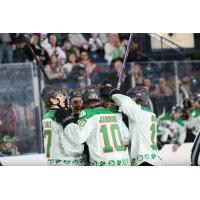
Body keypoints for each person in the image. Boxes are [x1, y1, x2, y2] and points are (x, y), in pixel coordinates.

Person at [57, 85, 131, 166]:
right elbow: (126, 138)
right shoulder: (115, 113)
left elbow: (78, 137)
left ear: (83, 100)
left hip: (102, 163)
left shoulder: (88, 113)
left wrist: (67, 122)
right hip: (124, 162)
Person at [101, 86, 162, 166]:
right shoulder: (149, 113)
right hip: (154, 159)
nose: (130, 101)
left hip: (144, 160)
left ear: (138, 100)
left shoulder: (138, 113)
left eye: (131, 99)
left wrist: (113, 92)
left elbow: (123, 101)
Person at [40, 85, 86, 166]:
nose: (64, 98)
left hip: (53, 160)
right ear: (53, 100)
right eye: (61, 95)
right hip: (67, 161)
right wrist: (84, 149)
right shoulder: (60, 116)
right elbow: (70, 147)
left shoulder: (46, 117)